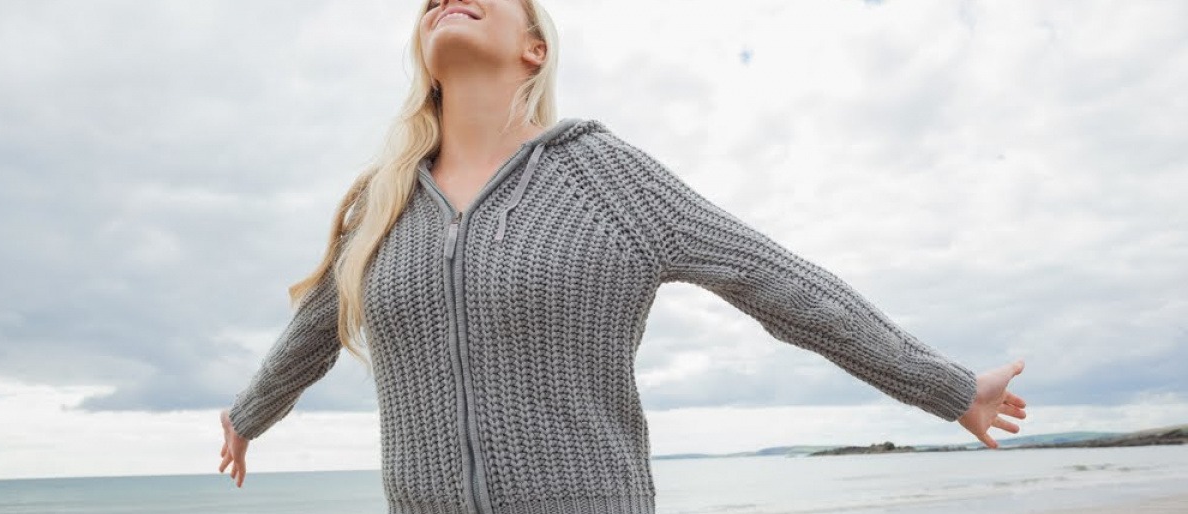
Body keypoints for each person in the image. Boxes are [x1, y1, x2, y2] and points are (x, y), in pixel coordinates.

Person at [217, 0, 1028, 511]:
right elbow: (312, 333)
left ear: (534, 48)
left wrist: (946, 386)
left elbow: (776, 281)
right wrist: (247, 417)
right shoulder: (384, 204)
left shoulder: (605, 177)